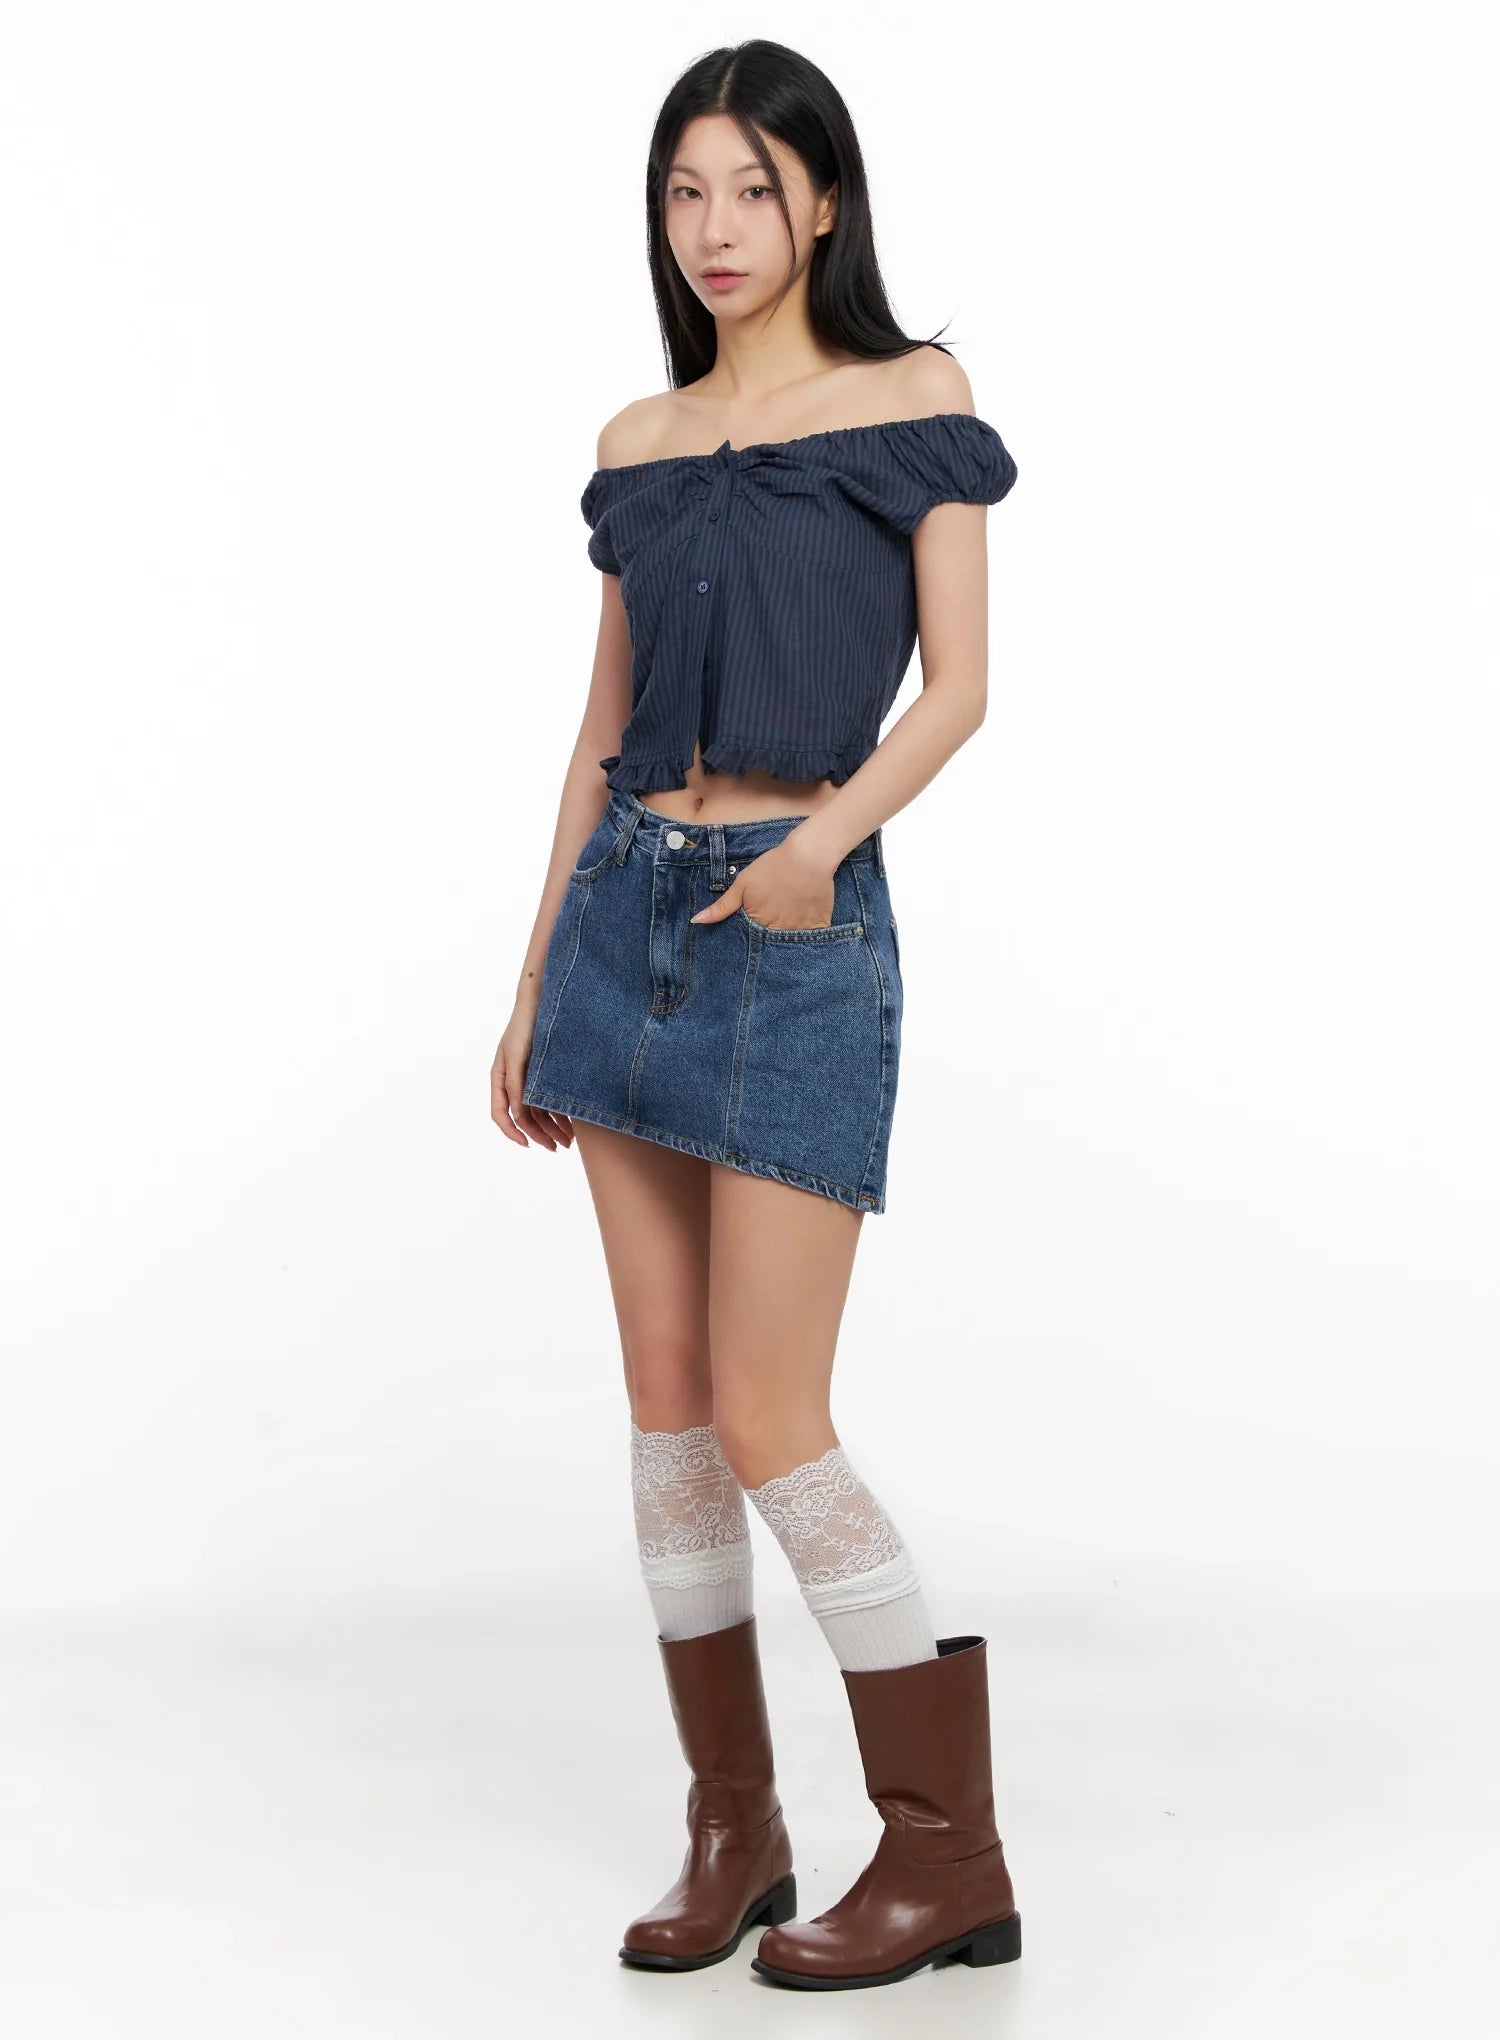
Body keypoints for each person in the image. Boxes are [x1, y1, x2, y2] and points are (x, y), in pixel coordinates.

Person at [490, 38, 1022, 1993]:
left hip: (796, 931)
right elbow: (602, 725)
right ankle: (739, 1830)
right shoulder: (638, 439)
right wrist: (534, 977)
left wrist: (822, 847)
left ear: (823, 202)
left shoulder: (913, 398)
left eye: (752, 188)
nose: (715, 228)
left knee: (771, 1415)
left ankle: (948, 1853)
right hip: (624, 918)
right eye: (683, 192)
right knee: (668, 1410)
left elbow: (961, 688)